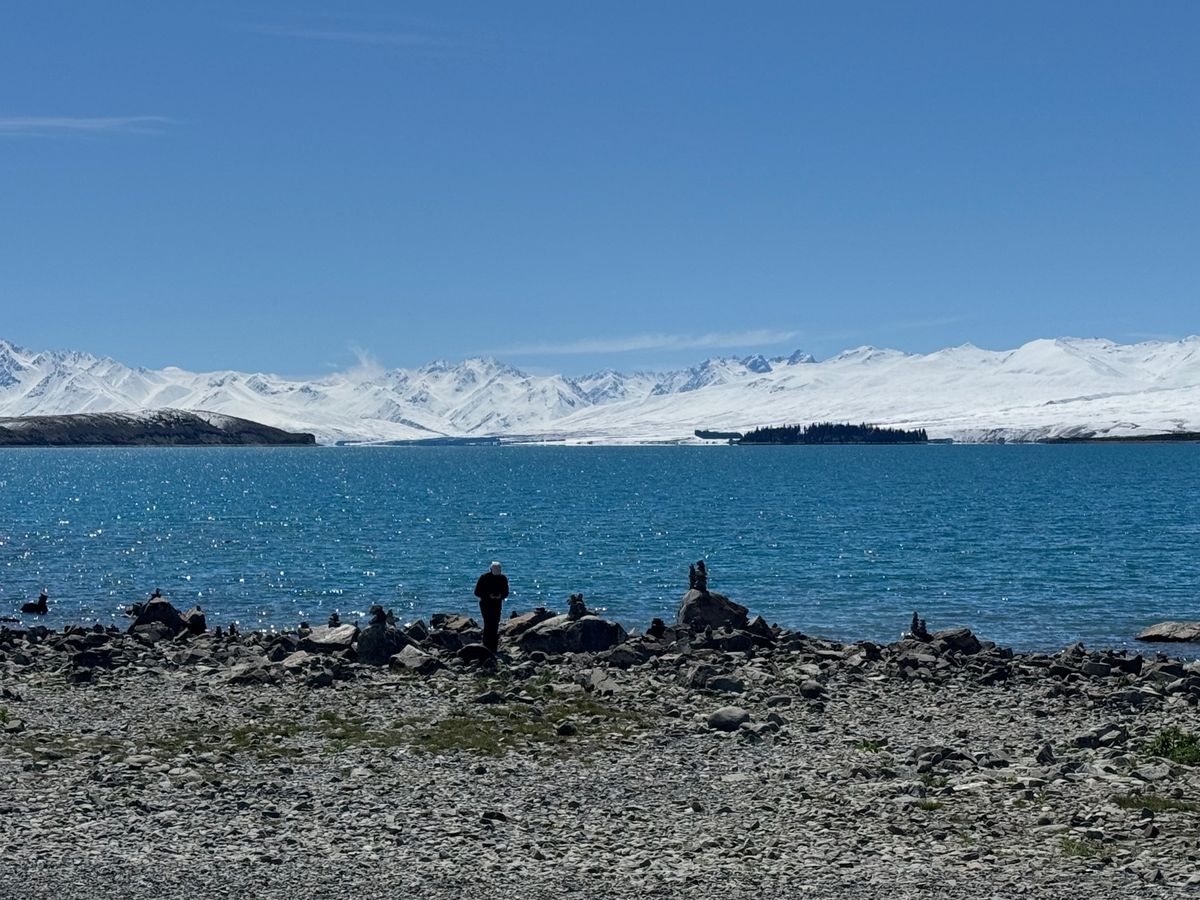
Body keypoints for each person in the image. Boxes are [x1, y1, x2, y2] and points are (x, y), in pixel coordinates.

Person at [473, 561, 510, 653]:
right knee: (489, 624)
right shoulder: (484, 578)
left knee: (494, 625)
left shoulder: (502, 579)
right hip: (486, 604)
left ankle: (492, 646)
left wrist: (500, 596)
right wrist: (489, 596)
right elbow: (477, 592)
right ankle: (487, 646)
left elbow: (506, 592)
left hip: (496, 604)